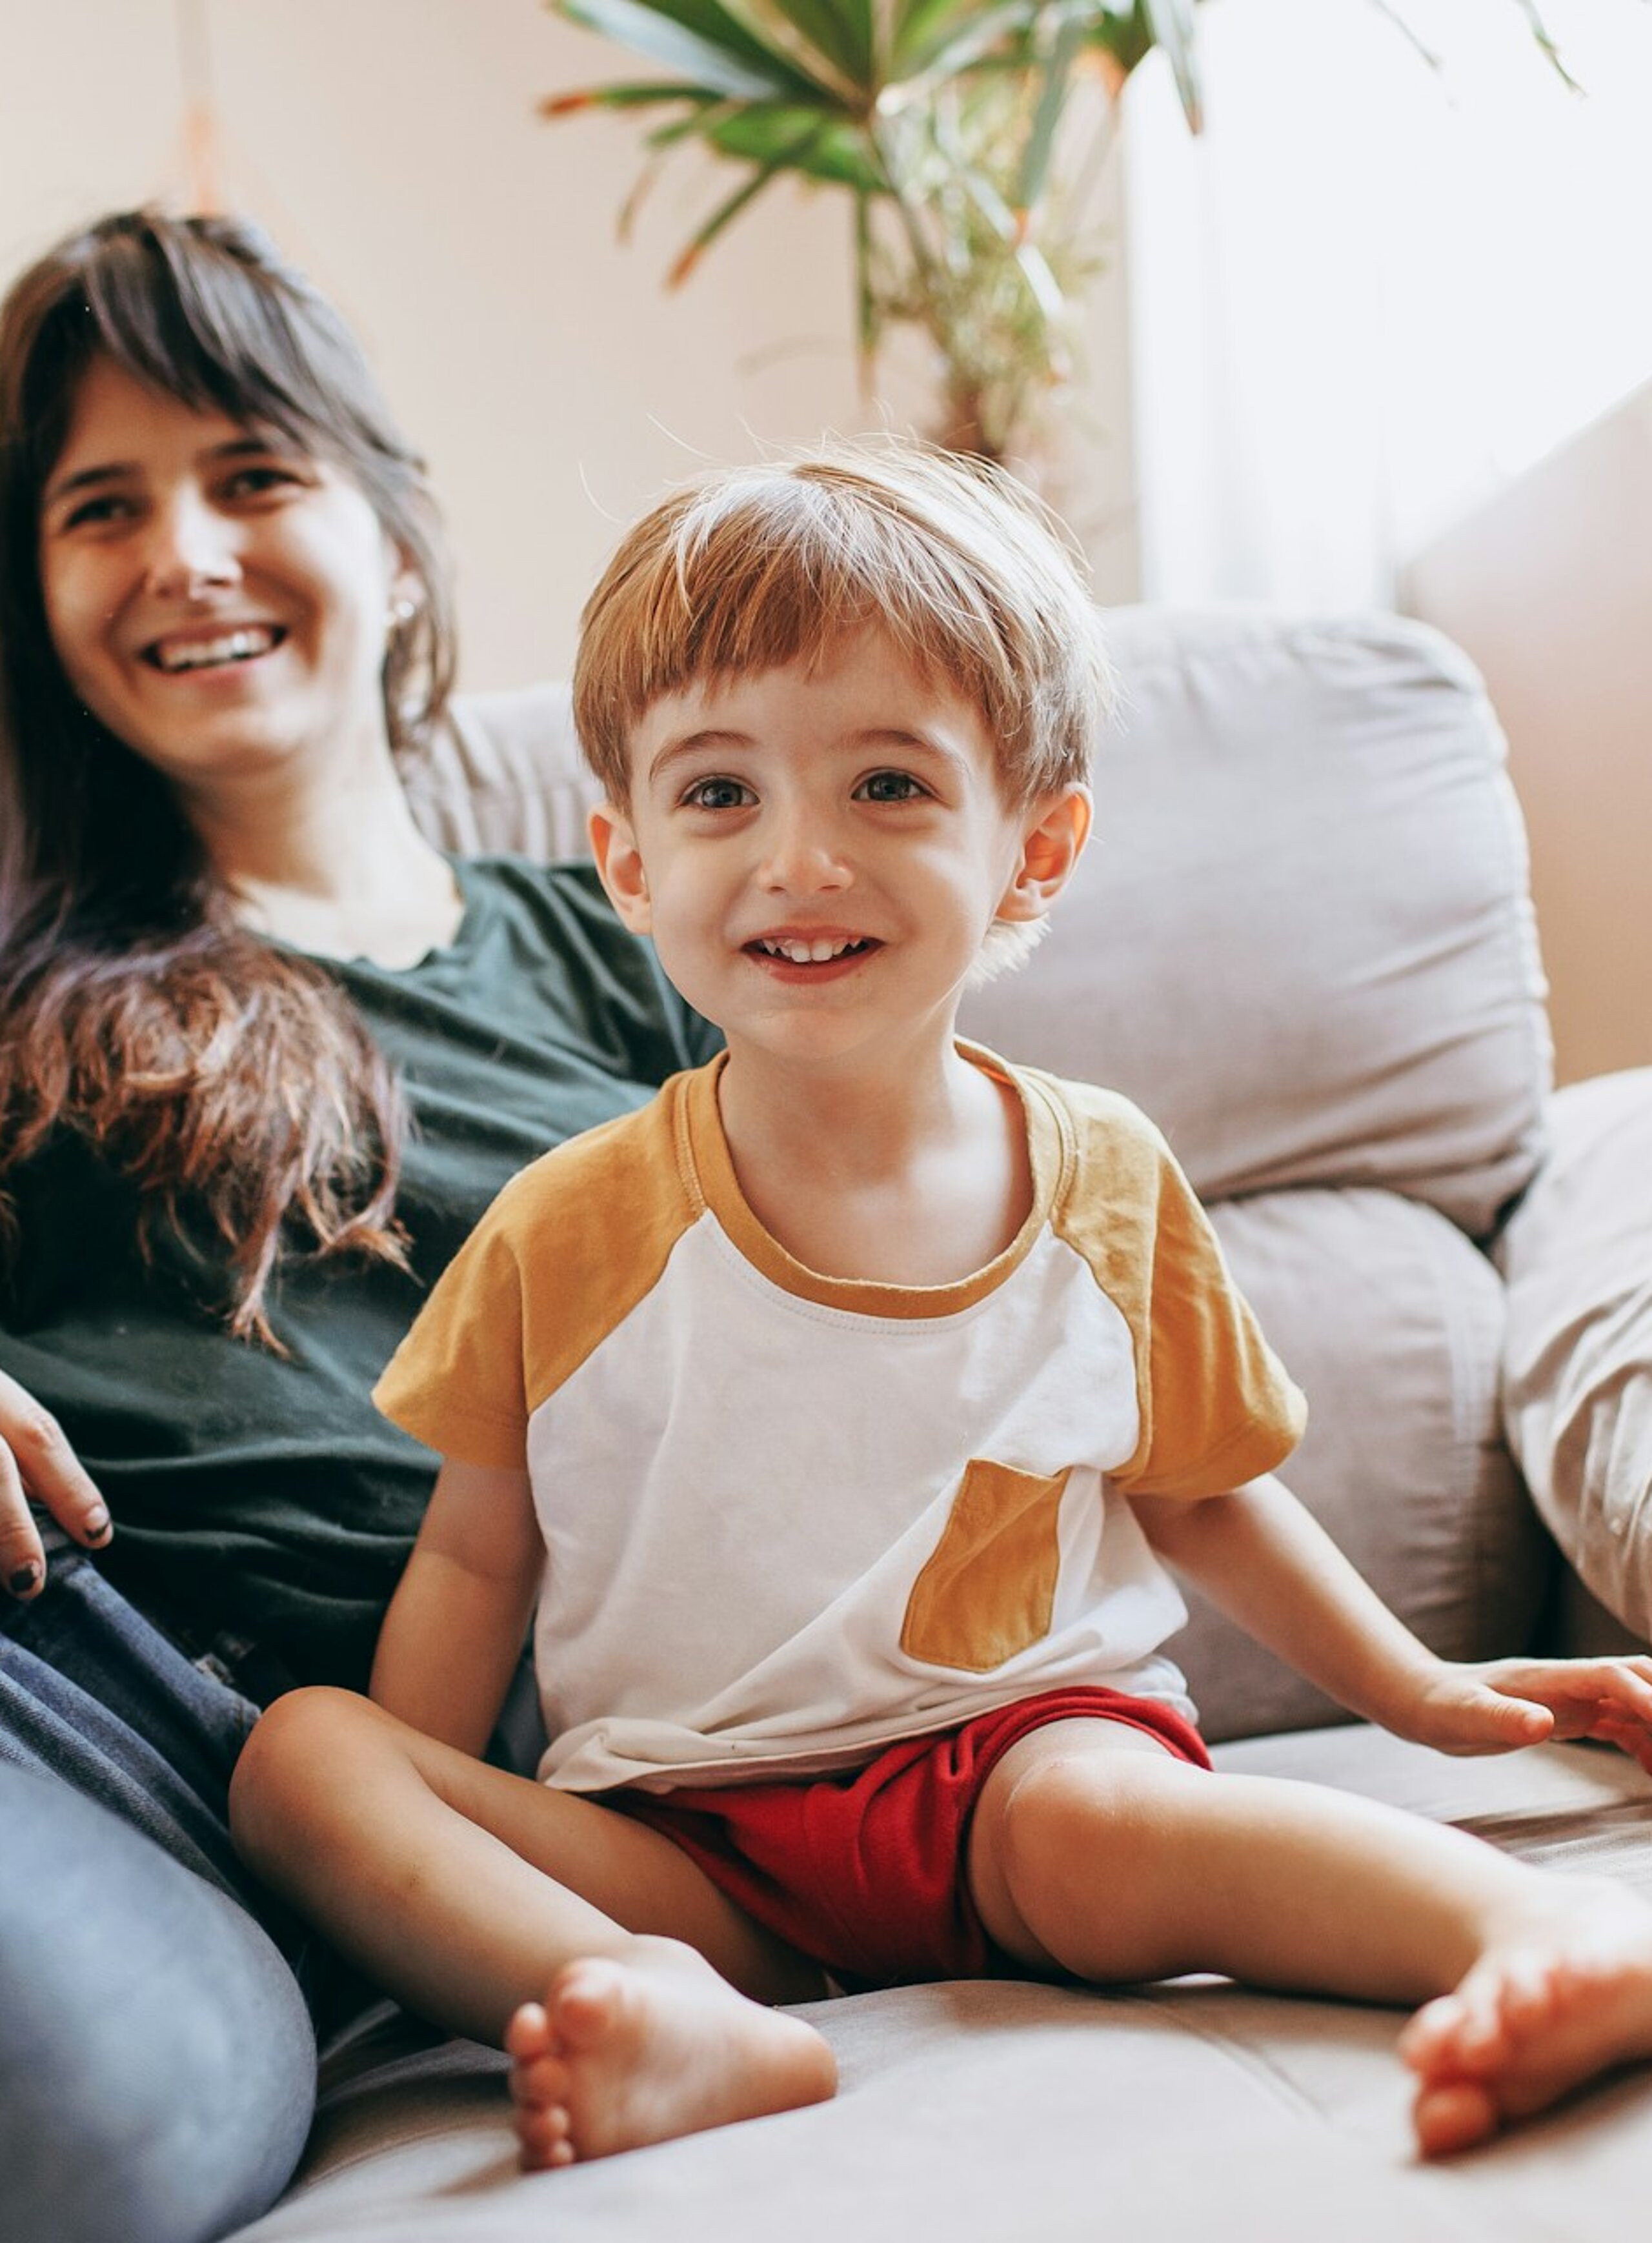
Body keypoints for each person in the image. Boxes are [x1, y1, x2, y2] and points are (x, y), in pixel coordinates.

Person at [233, 438, 1652, 2180]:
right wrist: (435, 1840)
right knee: (305, 1756)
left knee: (1116, 1830)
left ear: (1034, 849)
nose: (799, 858)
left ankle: (1539, 1940)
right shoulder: (562, 1227)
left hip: (1016, 1768)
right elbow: (472, 1565)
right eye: (718, 793)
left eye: (888, 787)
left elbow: (1202, 1491)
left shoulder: (1103, 1178)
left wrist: (1426, 1691)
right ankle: (674, 2017)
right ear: (623, 856)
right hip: (683, 1843)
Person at [0, 208, 721, 2243]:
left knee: (80, 2113)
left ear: (394, 541)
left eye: (251, 475)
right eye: (100, 506)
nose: (185, 555)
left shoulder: (650, 949)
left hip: (303, 1818)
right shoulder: (22, 986)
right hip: (61, 1654)